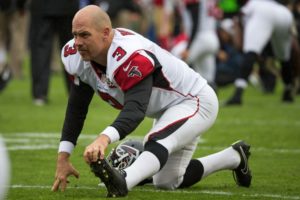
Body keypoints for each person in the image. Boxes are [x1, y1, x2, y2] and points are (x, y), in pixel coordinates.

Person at [51, 5, 252, 197]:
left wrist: (104, 138)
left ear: (105, 33)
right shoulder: (76, 56)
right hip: (168, 110)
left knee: (156, 141)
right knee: (166, 181)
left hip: (194, 100)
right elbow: (77, 108)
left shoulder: (130, 54)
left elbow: (135, 110)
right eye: (75, 34)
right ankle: (234, 157)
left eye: (85, 35)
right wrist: (63, 156)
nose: (77, 42)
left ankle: (123, 182)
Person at [225, 0, 296, 105]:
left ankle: (237, 95)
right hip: (285, 14)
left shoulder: (249, 6)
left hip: (262, 12)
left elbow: (241, 28)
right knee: (284, 56)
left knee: (250, 52)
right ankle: (288, 90)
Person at [28, 0, 79, 106]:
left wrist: (20, 4)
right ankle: (76, 91)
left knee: (40, 49)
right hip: (68, 6)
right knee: (72, 49)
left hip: (41, 7)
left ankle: (40, 94)